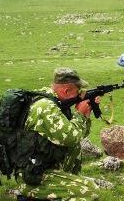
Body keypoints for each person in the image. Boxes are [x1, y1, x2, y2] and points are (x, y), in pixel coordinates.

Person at [18, 67, 101, 201]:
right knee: (90, 191)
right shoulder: (46, 107)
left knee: (76, 148)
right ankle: (32, 196)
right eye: (77, 91)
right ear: (66, 90)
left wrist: (86, 114)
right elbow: (71, 137)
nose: (79, 95)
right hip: (34, 175)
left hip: (43, 167)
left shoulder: (54, 101)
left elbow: (79, 136)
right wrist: (80, 114)